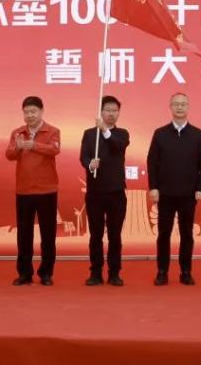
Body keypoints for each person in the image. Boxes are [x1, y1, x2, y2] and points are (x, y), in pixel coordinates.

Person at [146, 92, 201, 286]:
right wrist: (153, 187)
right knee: (163, 234)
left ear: (188, 107)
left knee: (187, 234)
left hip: (189, 194)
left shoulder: (197, 134)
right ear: (170, 107)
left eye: (183, 104)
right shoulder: (160, 133)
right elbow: (152, 162)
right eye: (176, 104)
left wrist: (200, 188)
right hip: (165, 193)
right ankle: (162, 271)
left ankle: (186, 272)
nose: (179, 107)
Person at [6, 96, 61, 286]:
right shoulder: (17, 132)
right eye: (26, 112)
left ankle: (46, 273)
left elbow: (54, 150)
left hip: (47, 190)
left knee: (48, 235)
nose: (29, 115)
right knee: (24, 235)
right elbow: (9, 155)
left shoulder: (52, 131)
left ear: (41, 111)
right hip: (24, 191)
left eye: (33, 112)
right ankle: (24, 273)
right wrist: (19, 147)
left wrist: (33, 145)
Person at [79, 95, 130, 286]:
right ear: (100, 112)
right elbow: (83, 157)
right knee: (96, 235)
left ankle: (114, 272)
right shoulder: (89, 134)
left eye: (115, 111)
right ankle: (96, 272)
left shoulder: (122, 134)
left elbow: (118, 146)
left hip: (116, 192)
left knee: (115, 235)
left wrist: (105, 130)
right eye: (108, 110)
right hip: (95, 193)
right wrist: (90, 164)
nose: (111, 114)